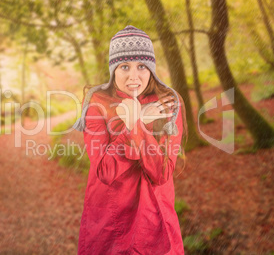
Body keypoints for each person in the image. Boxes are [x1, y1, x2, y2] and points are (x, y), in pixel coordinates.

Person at [73, 25, 188, 254]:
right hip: (110, 225)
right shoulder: (97, 104)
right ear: (113, 69)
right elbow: (105, 170)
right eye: (124, 66)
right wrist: (135, 125)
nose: (133, 76)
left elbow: (161, 173)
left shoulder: (167, 104)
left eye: (142, 66)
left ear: (152, 69)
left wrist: (135, 124)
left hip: (153, 223)